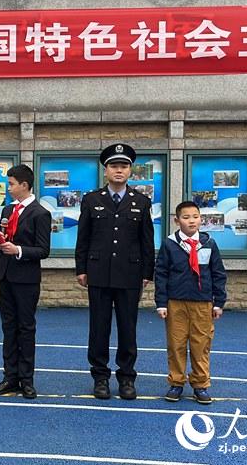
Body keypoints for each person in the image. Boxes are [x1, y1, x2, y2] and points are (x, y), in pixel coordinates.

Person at [75, 143, 154, 400]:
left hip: (130, 273)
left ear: (130, 171)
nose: (119, 170)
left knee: (128, 328)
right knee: (99, 327)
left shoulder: (141, 202)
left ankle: (127, 377)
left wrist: (147, 272)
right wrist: (81, 268)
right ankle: (100, 377)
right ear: (105, 170)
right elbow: (83, 237)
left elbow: (147, 241)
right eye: (114, 166)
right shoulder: (91, 200)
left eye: (124, 166)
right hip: (98, 272)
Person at [154, 201, 227, 404]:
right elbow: (161, 274)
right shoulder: (169, 244)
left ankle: (200, 384)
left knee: (201, 344)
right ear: (177, 221)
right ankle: (176, 382)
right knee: (176, 344)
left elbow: (218, 274)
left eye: (195, 217)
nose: (191, 221)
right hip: (175, 303)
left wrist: (219, 302)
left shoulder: (209, 243)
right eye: (186, 217)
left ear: (201, 219)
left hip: (202, 303)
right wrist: (161, 303)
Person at [0, 164, 51, 400]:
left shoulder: (40, 213)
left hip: (26, 279)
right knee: (8, 327)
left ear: (24, 185)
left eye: (11, 184)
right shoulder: (8, 210)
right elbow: (3, 238)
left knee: (25, 328)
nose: (9, 188)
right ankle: (10, 376)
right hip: (6, 274)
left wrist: (18, 250)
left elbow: (43, 250)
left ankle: (26, 379)